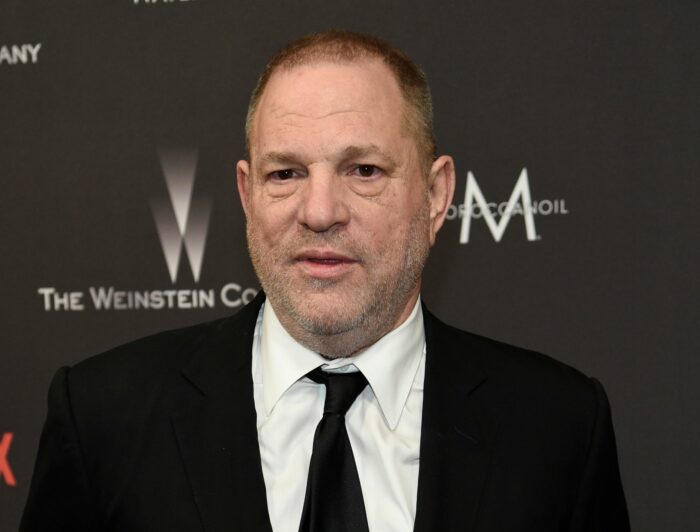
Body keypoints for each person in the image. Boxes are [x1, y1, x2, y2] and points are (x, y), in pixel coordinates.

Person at [20, 30, 630, 531]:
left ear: (436, 196)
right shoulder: (103, 418)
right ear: (247, 196)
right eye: (285, 173)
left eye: (363, 170)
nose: (319, 211)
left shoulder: (558, 427)